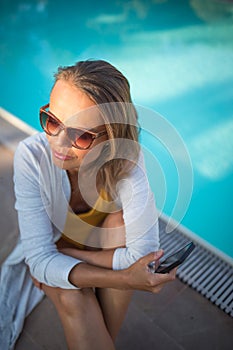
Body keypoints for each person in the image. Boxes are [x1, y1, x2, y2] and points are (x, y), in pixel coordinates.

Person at [12, 59, 176, 349]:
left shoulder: (127, 160)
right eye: (52, 121)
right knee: (73, 296)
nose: (59, 143)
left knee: (117, 222)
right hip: (69, 245)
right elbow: (38, 260)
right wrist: (125, 279)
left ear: (110, 137)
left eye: (81, 135)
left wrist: (66, 253)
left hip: (85, 243)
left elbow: (144, 255)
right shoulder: (31, 158)